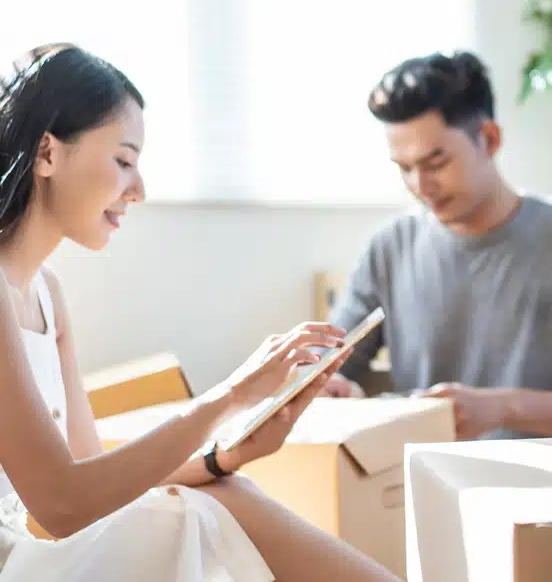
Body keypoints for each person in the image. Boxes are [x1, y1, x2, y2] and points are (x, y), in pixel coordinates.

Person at [0, 44, 401, 582]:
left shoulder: (46, 294)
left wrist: (221, 459)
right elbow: (64, 506)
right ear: (47, 153)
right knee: (203, 514)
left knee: (225, 492)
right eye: (123, 161)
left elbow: (97, 486)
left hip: (38, 549)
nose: (137, 190)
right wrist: (230, 396)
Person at [321, 50, 552, 441]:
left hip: (548, 486)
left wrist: (501, 408)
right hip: (415, 481)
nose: (420, 186)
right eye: (404, 167)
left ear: (489, 138)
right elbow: (332, 369)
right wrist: (336, 391)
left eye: (435, 162)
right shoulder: (388, 247)